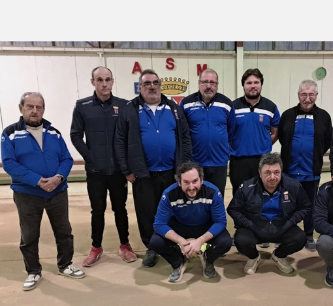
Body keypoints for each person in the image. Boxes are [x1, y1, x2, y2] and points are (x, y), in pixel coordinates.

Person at [1, 92, 85, 291]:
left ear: (43, 110)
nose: (34, 111)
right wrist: (37, 181)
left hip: (57, 191)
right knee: (29, 235)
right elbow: (9, 163)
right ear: (21, 108)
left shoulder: (54, 132)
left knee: (64, 231)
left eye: (39, 107)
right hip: (27, 194)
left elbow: (67, 159)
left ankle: (65, 265)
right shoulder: (10, 133)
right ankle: (33, 271)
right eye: (30, 107)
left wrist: (58, 177)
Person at [114, 69, 192, 268]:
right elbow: (119, 141)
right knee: (147, 213)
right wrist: (127, 170)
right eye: (147, 83)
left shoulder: (174, 109)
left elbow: (185, 138)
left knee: (172, 211)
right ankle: (152, 247)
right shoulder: (129, 110)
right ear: (140, 88)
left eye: (155, 83)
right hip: (143, 175)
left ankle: (173, 244)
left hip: (172, 174)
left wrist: (184, 169)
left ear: (160, 86)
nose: (152, 87)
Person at [70, 66, 136, 267]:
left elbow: (130, 136)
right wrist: (90, 157)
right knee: (97, 210)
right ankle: (96, 248)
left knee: (120, 209)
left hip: (118, 172)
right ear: (93, 82)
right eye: (100, 80)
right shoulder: (83, 106)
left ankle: (125, 245)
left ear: (113, 81)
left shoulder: (123, 106)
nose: (104, 84)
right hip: (95, 172)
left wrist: (126, 165)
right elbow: (75, 135)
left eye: (108, 79)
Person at [227, 152, 310, 275]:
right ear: (260, 172)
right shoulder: (247, 187)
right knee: (241, 240)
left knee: (300, 238)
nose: (272, 177)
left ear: (281, 171)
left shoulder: (293, 186)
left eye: (276, 172)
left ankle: (279, 255)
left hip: (282, 227)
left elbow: (305, 207)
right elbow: (233, 209)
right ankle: (254, 257)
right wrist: (250, 225)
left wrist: (289, 223)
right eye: (267, 173)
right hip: (255, 227)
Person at [150, 162, 232, 283]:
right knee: (155, 242)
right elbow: (159, 224)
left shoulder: (213, 192)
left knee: (226, 242)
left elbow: (220, 222)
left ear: (201, 180)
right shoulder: (168, 194)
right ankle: (178, 261)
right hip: (180, 225)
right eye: (186, 182)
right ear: (179, 182)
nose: (191, 187)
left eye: (195, 181)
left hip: (205, 225)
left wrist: (199, 241)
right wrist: (181, 242)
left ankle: (207, 258)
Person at [278, 79, 332, 251]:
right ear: (298, 96)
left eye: (311, 95)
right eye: (303, 94)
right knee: (287, 204)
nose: (307, 99)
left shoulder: (323, 116)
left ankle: (308, 234)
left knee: (310, 205)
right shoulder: (288, 115)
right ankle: (285, 233)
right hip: (289, 171)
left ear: (316, 95)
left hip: (311, 171)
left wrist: (315, 153)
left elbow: (327, 140)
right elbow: (282, 138)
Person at [230, 68, 281, 248]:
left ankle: (262, 232)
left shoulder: (270, 107)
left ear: (261, 85)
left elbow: (275, 132)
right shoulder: (233, 107)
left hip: (262, 161)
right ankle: (241, 230)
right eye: (249, 82)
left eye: (256, 82)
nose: (253, 86)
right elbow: (227, 132)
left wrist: (264, 145)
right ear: (243, 85)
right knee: (240, 197)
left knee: (262, 196)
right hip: (239, 160)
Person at [179, 68, 235, 196]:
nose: (208, 86)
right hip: (194, 163)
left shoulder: (226, 104)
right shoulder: (186, 104)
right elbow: (182, 133)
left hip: (219, 162)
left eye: (212, 82)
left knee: (216, 198)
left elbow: (231, 131)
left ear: (217, 85)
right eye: (204, 82)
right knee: (195, 199)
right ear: (199, 83)